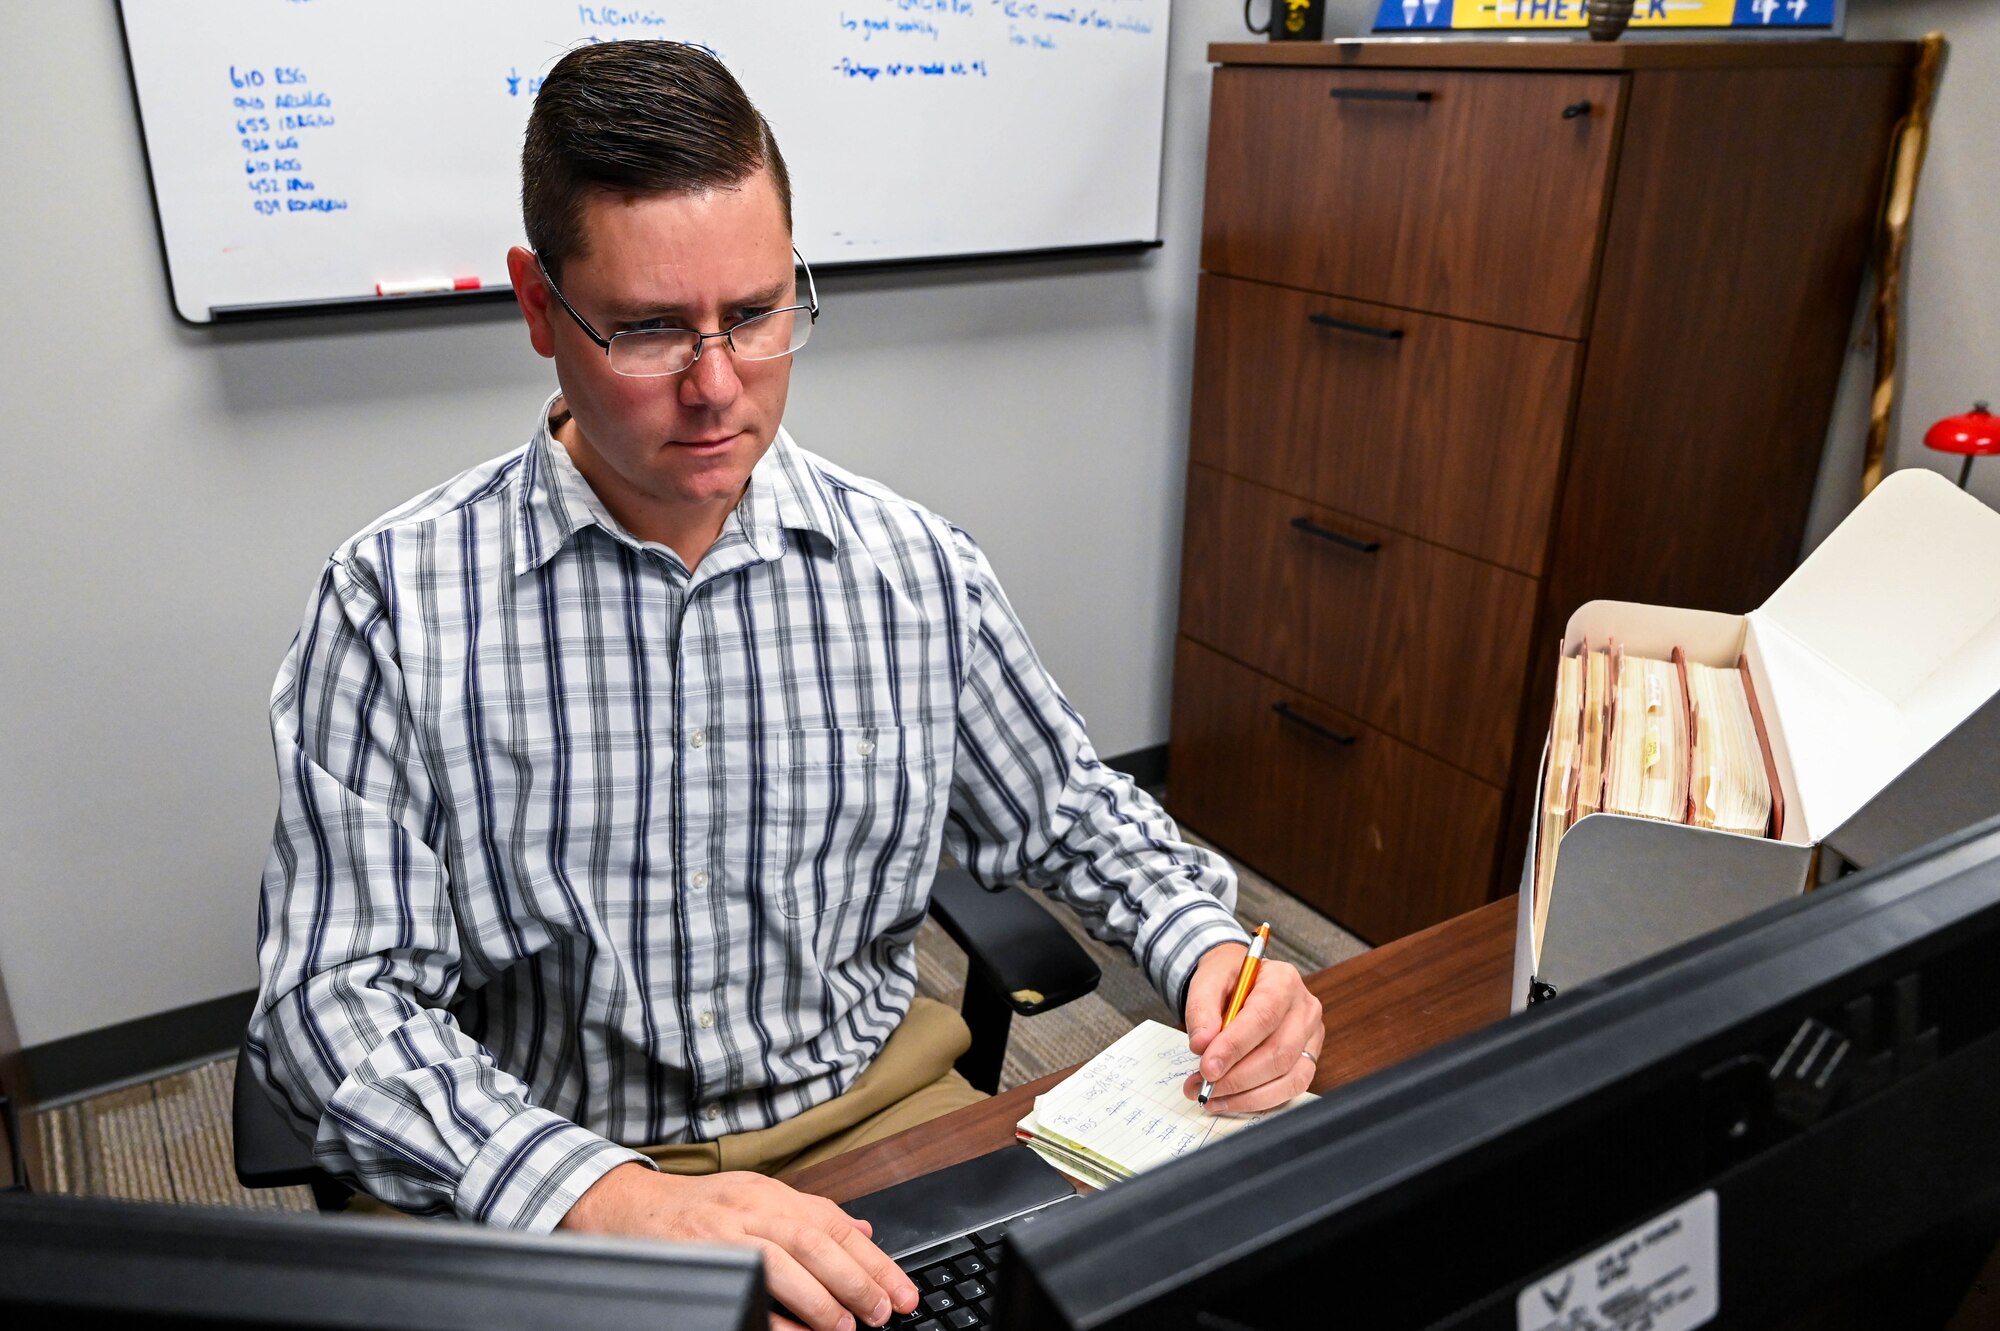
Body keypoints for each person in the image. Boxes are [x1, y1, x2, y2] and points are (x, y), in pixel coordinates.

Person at [249, 39, 1326, 1331]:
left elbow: (1077, 810)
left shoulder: (911, 570)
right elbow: (330, 1010)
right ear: (539, 307)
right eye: (651, 330)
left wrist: (1209, 945)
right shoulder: (392, 605)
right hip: (560, 1170)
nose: (717, 391)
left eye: (756, 317)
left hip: (870, 1129)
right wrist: (612, 1196)